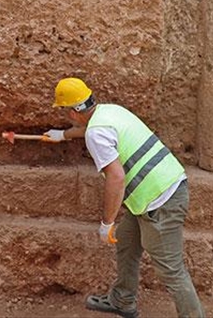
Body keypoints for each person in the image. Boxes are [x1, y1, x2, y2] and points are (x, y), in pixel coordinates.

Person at [45, 77, 204, 318]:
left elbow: (116, 178)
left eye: (65, 111)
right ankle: (122, 301)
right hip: (162, 190)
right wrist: (63, 135)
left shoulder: (96, 133)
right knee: (127, 242)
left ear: (73, 111)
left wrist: (106, 222)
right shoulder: (110, 111)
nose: (66, 116)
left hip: (159, 203)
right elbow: (91, 129)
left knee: (172, 271)